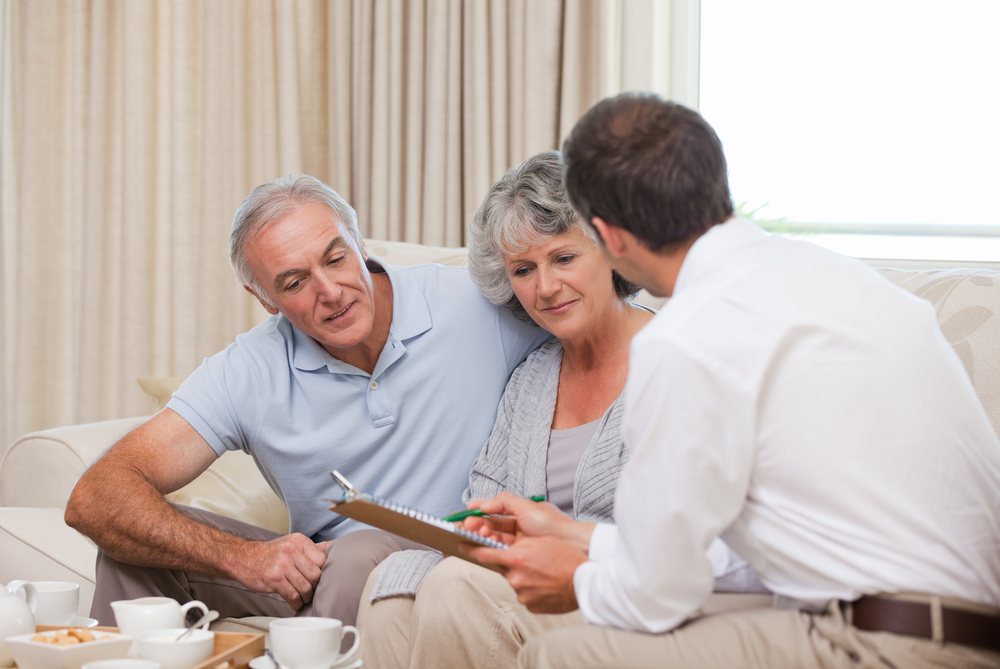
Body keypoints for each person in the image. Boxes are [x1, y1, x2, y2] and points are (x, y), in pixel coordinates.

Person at [461, 94, 1000, 668]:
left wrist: (577, 579)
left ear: (607, 237)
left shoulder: (687, 337)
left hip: (885, 644)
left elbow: (654, 596)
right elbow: (750, 556)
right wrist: (583, 538)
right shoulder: (836, 277)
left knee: (563, 657)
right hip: (967, 629)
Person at [64, 174, 550, 629]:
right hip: (326, 577)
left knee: (359, 553)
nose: (330, 292)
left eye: (336, 259)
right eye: (294, 282)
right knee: (134, 548)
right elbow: (96, 497)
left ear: (360, 245)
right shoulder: (249, 370)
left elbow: (607, 317)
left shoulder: (476, 303)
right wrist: (243, 557)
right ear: (264, 299)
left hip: (455, 559)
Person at [355, 151, 765, 668]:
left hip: (635, 600)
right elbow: (485, 501)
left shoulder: (681, 358)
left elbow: (702, 536)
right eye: (523, 269)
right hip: (533, 591)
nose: (544, 287)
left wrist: (565, 549)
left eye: (564, 258)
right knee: (390, 588)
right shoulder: (532, 377)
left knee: (459, 584)